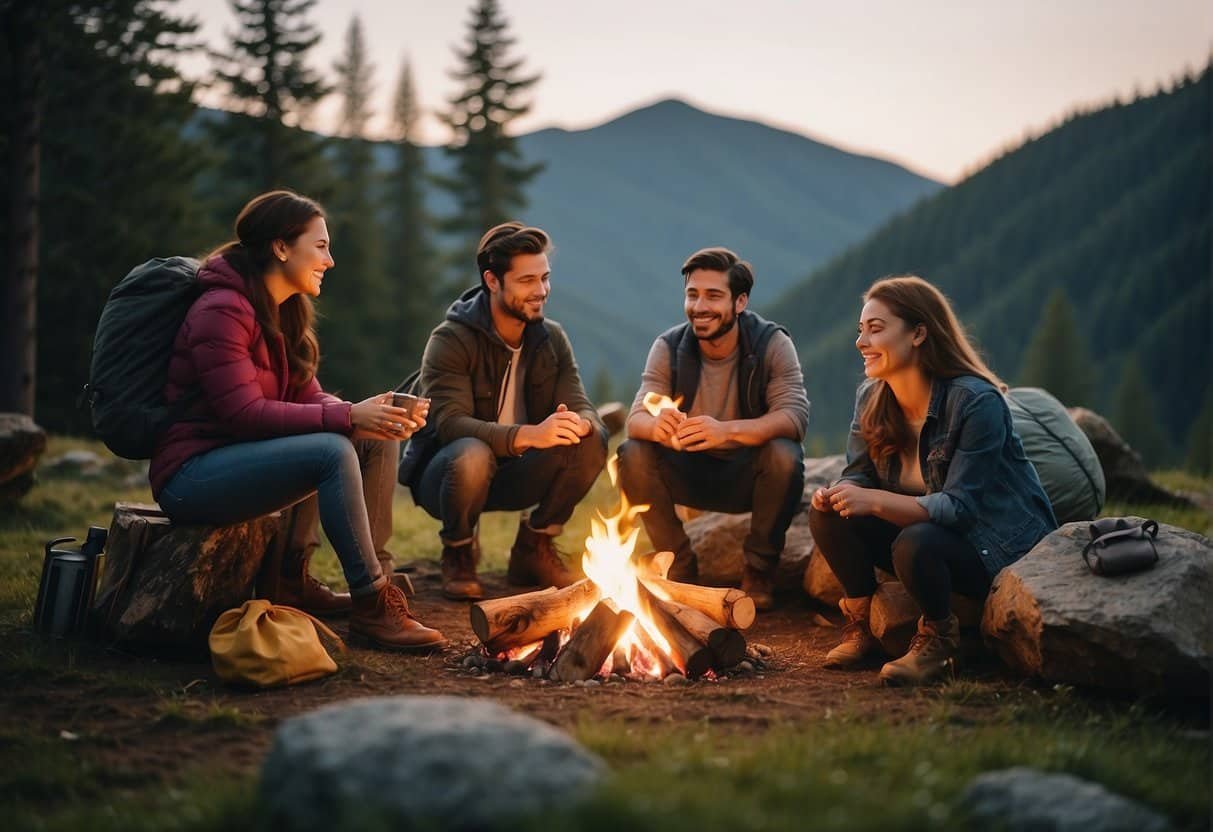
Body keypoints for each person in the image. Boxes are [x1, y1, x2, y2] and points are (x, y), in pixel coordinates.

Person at [149, 190, 445, 652]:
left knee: (372, 438)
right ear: (281, 248)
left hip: (234, 459)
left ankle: (292, 580)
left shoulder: (281, 309)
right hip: (190, 476)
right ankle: (371, 605)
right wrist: (346, 415)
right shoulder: (222, 310)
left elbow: (306, 397)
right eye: (321, 246)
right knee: (331, 448)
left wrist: (372, 415)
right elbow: (243, 414)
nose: (329, 260)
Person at [810, 275, 1056, 685]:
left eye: (876, 329)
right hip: (926, 533)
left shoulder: (976, 402)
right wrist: (839, 493)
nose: (861, 342)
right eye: (860, 330)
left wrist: (873, 502)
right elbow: (858, 475)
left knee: (915, 541)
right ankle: (863, 625)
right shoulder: (872, 397)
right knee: (828, 516)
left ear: (919, 333)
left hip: (992, 546)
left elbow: (959, 509)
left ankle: (940, 639)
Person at [398, 222, 607, 600]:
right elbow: (450, 424)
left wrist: (580, 423)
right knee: (471, 452)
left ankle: (534, 547)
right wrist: (529, 435)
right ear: (492, 281)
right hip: (446, 475)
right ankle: (458, 551)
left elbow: (580, 402)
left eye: (544, 278)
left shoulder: (551, 338)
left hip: (519, 473)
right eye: (527, 280)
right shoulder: (450, 339)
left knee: (593, 438)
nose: (541, 291)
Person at [617, 248, 809, 610]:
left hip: (747, 475)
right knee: (633, 454)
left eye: (713, 296)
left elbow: (794, 418)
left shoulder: (771, 343)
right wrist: (659, 427)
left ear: (740, 302)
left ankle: (758, 570)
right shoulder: (669, 346)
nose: (699, 306)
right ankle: (679, 565)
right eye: (693, 294)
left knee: (785, 454)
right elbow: (634, 421)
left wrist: (726, 431)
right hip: (689, 471)